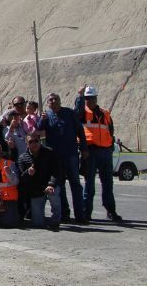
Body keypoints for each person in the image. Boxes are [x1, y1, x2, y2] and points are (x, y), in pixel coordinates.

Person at [75, 85, 123, 222]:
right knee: (89, 184)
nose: (90, 101)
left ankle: (111, 211)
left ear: (96, 99)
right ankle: (86, 213)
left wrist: (109, 147)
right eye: (87, 99)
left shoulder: (105, 113)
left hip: (105, 152)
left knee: (108, 183)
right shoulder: (82, 113)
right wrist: (79, 96)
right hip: (90, 152)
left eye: (92, 98)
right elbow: (76, 114)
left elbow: (110, 130)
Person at [38, 92, 88, 224]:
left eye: (56, 99)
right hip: (55, 157)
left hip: (71, 154)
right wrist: (41, 120)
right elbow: (37, 130)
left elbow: (80, 131)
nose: (53, 101)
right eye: (50, 100)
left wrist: (84, 148)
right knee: (59, 186)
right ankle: (65, 214)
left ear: (60, 101)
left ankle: (80, 215)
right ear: (47, 103)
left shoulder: (69, 113)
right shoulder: (46, 116)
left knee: (75, 184)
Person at [17, 133, 61, 230]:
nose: (34, 143)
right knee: (38, 223)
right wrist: (28, 173)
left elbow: (56, 171)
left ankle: (55, 220)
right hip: (35, 191)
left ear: (40, 141)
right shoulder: (22, 158)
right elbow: (21, 178)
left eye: (36, 141)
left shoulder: (49, 153)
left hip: (49, 186)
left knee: (54, 193)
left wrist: (51, 184)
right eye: (30, 141)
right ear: (26, 143)